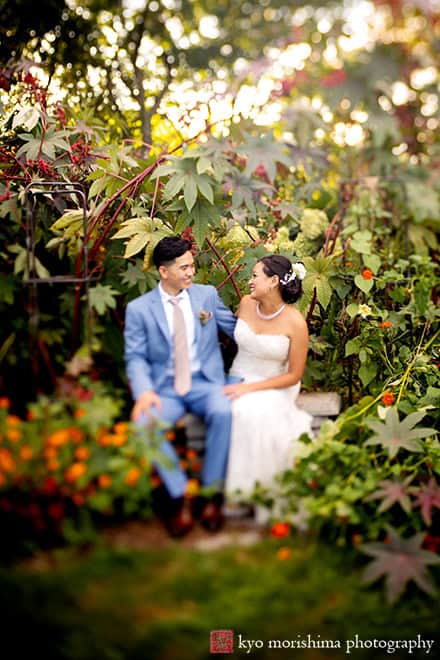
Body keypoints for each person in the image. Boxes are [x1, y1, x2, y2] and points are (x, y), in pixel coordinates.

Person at [124, 236, 237, 537]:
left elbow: (237, 329)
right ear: (163, 271)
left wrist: (273, 330)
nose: (191, 272)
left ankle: (211, 494)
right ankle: (180, 496)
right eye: (184, 267)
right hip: (166, 389)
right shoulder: (139, 309)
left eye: (192, 266)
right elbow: (135, 357)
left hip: (205, 383)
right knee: (144, 424)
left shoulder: (207, 296)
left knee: (223, 412)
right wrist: (144, 392)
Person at [223, 254, 312, 515]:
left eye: (254, 276)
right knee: (237, 410)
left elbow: (294, 375)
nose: (249, 281)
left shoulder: (296, 323)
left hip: (276, 383)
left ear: (274, 281)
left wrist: (248, 389)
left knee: (253, 411)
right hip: (239, 374)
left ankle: (258, 493)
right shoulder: (246, 304)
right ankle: (240, 493)